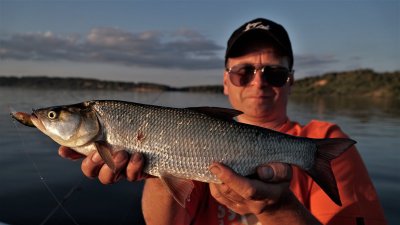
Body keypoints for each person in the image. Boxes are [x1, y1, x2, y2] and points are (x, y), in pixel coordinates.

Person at [59, 18, 387, 225]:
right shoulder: (189, 133)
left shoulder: (322, 139)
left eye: (274, 73)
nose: (258, 83)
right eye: (243, 72)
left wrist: (276, 208)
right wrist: (156, 172)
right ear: (226, 81)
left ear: (290, 81)